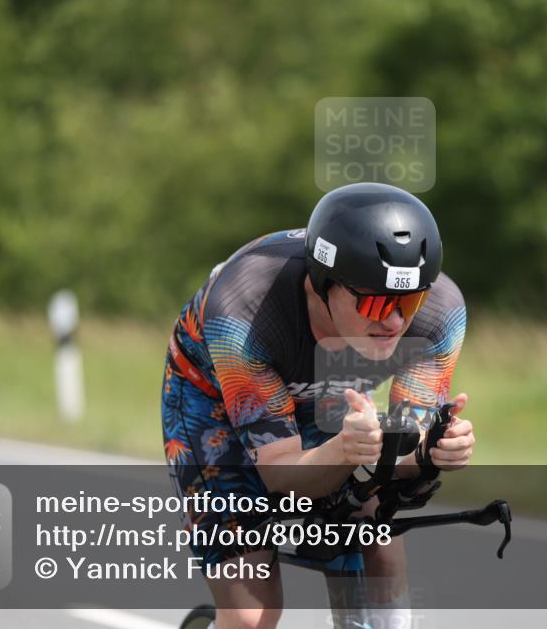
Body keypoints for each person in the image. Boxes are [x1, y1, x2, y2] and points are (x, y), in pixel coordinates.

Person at [161, 182, 475, 629]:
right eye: (376, 303)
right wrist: (345, 451)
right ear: (322, 284)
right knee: (252, 614)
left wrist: (431, 450)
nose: (395, 321)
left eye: (410, 300)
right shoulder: (245, 309)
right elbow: (279, 473)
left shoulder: (441, 312)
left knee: (378, 544)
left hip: (326, 394)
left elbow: (402, 448)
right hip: (212, 396)